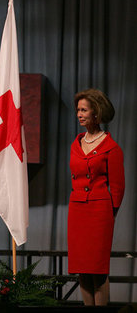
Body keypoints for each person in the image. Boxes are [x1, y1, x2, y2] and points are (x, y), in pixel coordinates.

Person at [68, 88, 125, 306]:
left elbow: (118, 189)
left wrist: (109, 215)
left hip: (99, 213)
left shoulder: (111, 148)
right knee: (82, 269)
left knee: (98, 269)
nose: (79, 114)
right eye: (78, 110)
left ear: (96, 113)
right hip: (77, 210)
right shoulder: (76, 144)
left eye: (84, 110)